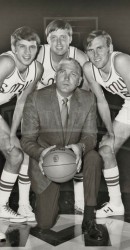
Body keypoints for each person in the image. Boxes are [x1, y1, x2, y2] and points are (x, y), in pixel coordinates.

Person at [21, 58, 103, 241]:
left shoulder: (88, 98)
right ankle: (42, 199)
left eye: (73, 74)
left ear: (80, 80)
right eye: (62, 72)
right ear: (55, 75)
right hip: (47, 161)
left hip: (75, 157)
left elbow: (90, 137)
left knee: (94, 157)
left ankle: (89, 217)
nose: (67, 77)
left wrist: (80, 147)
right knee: (45, 223)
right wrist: (41, 153)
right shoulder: (35, 98)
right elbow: (27, 140)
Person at [36, 19, 89, 213]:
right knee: (28, 154)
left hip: (68, 108)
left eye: (63, 38)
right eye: (53, 38)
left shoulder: (79, 57)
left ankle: (80, 200)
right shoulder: (38, 53)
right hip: (40, 111)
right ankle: (25, 203)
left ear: (71, 39)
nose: (58, 43)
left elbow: (88, 90)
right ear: (46, 39)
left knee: (75, 149)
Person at [0, 26, 43, 222]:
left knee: (17, 156)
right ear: (13, 47)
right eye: (22, 46)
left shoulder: (37, 69)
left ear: (38, 48)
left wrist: (11, 134)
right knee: (15, 154)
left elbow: (22, 102)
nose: (27, 52)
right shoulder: (7, 63)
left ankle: (3, 206)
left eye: (32, 47)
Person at [83, 30, 125, 218]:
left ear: (110, 48)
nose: (95, 54)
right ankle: (116, 204)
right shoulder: (89, 68)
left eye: (100, 48)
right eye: (90, 50)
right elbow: (101, 100)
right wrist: (110, 131)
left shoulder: (121, 61)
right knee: (106, 148)